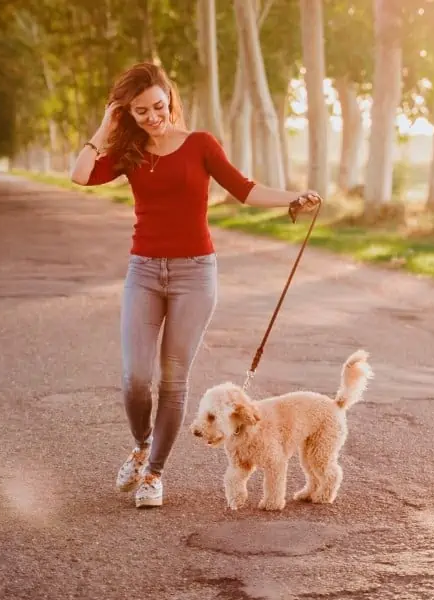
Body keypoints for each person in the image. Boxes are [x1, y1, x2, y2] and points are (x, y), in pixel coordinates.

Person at [70, 62, 321, 508]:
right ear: (128, 113)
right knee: (134, 378)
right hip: (143, 271)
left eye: (159, 106)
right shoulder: (130, 153)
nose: (153, 117)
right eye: (140, 111)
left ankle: (153, 474)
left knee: (172, 380)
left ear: (170, 98)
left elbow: (243, 189)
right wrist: (105, 126)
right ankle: (141, 444)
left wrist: (293, 198)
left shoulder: (200, 144)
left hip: (194, 274)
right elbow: (80, 174)